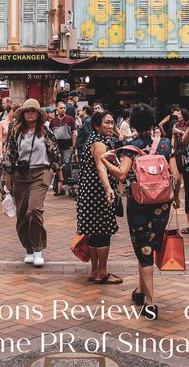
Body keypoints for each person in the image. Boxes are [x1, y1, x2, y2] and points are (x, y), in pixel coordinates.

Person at [101, 103, 181, 319]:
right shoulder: (165, 145)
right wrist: (177, 197)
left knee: (143, 248)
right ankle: (140, 291)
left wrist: (103, 160)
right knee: (148, 247)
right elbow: (177, 176)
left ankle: (151, 303)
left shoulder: (131, 146)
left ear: (133, 123)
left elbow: (121, 174)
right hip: (162, 204)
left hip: (139, 203)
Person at [4, 99, 63, 267]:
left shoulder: (45, 131)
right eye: (27, 110)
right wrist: (8, 179)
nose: (30, 113)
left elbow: (55, 153)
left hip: (41, 172)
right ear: (23, 113)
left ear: (38, 114)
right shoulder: (16, 131)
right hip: (20, 175)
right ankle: (28, 249)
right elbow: (10, 155)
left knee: (34, 209)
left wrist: (60, 177)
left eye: (33, 110)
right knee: (22, 215)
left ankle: (38, 249)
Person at [76, 110, 122, 284]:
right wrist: (108, 188)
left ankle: (95, 270)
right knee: (102, 232)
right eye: (107, 123)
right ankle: (102, 272)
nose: (111, 126)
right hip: (98, 192)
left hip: (89, 191)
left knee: (93, 232)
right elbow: (100, 167)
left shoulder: (95, 139)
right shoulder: (99, 143)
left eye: (112, 123)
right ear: (96, 125)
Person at [50, 102, 76, 195]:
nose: (63, 110)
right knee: (57, 167)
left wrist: (73, 146)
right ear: (57, 109)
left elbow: (74, 133)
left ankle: (70, 187)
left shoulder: (70, 119)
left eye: (64, 108)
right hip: (57, 148)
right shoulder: (53, 121)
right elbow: (51, 135)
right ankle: (58, 188)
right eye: (61, 108)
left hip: (67, 147)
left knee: (68, 166)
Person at [0, 103, 19, 198]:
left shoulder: (16, 124)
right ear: (10, 112)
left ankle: (12, 190)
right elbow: (0, 139)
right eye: (14, 111)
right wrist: (1, 153)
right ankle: (4, 190)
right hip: (5, 149)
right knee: (4, 171)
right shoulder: (1, 123)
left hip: (14, 150)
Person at [171, 108, 189, 175]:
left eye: (179, 114)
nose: (178, 116)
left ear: (184, 115)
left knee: (186, 167)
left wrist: (179, 131)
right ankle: (180, 182)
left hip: (186, 148)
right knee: (178, 166)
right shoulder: (175, 125)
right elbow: (173, 136)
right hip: (177, 148)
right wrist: (172, 147)